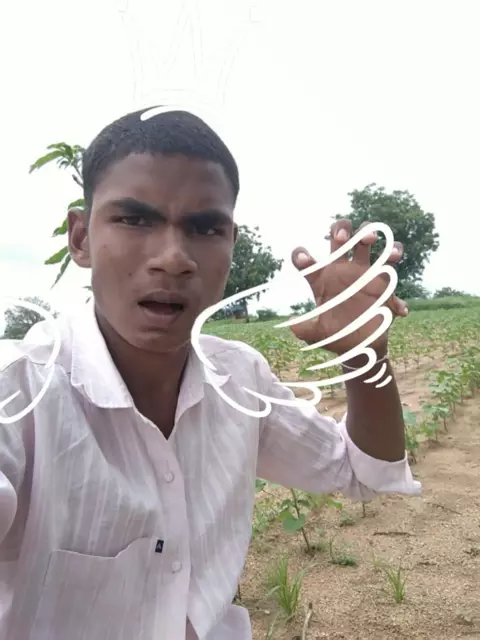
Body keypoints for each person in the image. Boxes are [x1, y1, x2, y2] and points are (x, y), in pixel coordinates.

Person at [0, 108, 420, 640]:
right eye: (135, 220)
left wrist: (365, 355)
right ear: (80, 238)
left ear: (230, 244)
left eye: (204, 228)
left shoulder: (240, 378)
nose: (173, 258)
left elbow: (364, 470)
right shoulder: (19, 390)